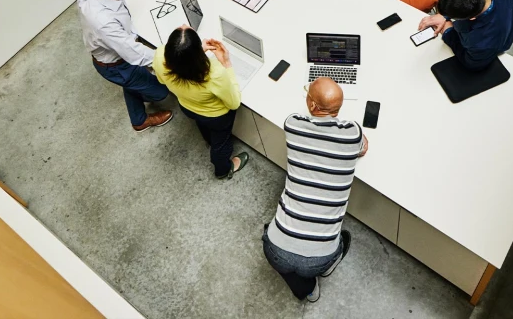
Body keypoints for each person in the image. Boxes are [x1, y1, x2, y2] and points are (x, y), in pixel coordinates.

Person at [262, 77, 367, 302]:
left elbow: (300, 118)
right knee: (338, 240)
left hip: (276, 250)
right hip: (321, 257)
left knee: (287, 266)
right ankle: (326, 267)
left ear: (311, 105)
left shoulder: (292, 124)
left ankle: (308, 291)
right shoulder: (353, 133)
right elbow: (363, 146)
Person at [77, 0, 173, 132]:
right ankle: (142, 121)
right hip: (116, 65)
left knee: (134, 83)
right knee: (161, 92)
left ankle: (138, 119)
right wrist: (171, 57)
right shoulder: (104, 22)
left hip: (117, 54)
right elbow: (135, 54)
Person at [153, 26, 248, 179]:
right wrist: (227, 64)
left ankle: (209, 140)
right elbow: (234, 103)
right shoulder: (214, 73)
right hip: (217, 117)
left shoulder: (159, 56)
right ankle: (223, 169)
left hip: (187, 106)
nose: (185, 24)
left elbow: (161, 79)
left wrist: (189, 54)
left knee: (203, 125)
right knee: (221, 144)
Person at [418, 0, 513, 71]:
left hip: (501, 37)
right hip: (507, 8)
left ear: (472, 19)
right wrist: (444, 15)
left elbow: (471, 62)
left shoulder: (482, 42)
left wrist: (449, 32)